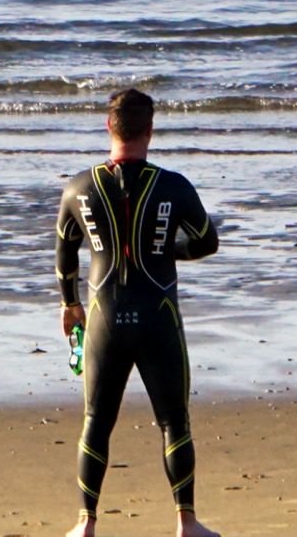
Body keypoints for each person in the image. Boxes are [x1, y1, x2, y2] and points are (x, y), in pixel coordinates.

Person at [54, 87, 222, 537]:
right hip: (158, 315)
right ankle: (186, 523)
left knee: (96, 422)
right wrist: (167, 250)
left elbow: (65, 249)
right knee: (174, 421)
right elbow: (207, 241)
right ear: (150, 131)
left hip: (104, 316)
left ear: (109, 127)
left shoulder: (78, 187)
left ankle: (85, 525)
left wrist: (69, 303)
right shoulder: (174, 186)